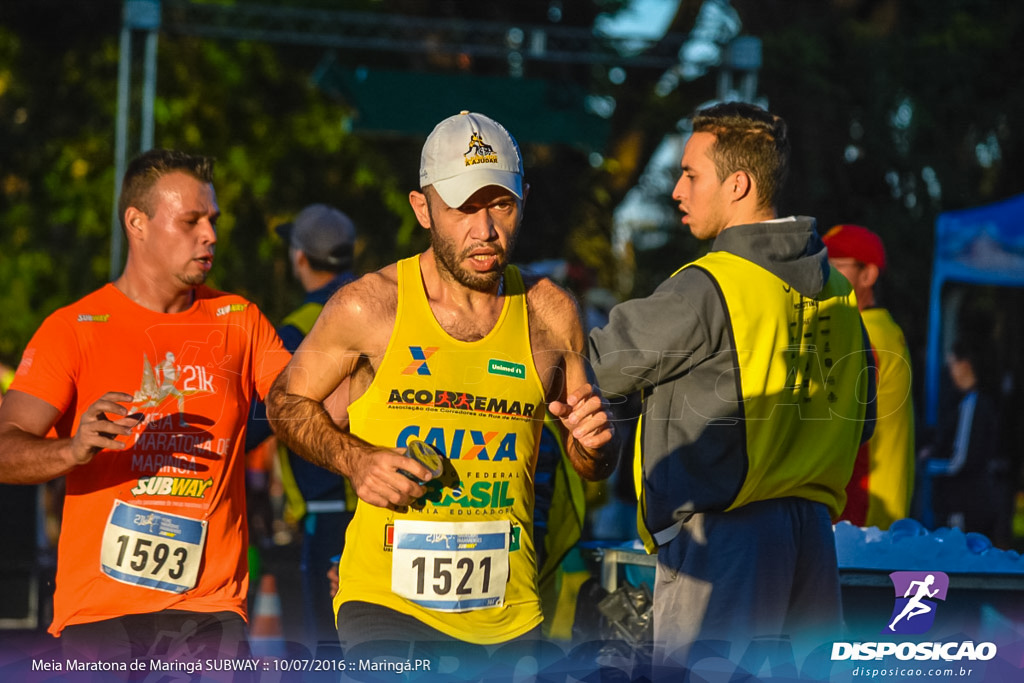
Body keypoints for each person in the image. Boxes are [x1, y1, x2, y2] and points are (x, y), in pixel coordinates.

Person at [265, 110, 618, 653]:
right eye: (463, 207)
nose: (486, 231)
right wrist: (355, 460)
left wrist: (595, 445)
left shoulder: (550, 312)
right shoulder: (370, 306)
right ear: (422, 208)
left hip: (508, 612)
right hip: (385, 606)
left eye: (501, 204)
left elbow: (590, 459)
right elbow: (285, 401)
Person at [587, 102, 875, 671]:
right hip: (813, 540)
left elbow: (596, 366)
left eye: (690, 173)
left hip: (724, 547)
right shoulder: (839, 291)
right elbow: (860, 419)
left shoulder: (708, 285)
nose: (676, 190)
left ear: (738, 183)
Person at [0, 149, 290, 666]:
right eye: (191, 221)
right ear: (137, 222)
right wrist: (72, 449)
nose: (211, 235)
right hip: (100, 613)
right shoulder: (74, 329)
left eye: (213, 221)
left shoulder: (239, 320)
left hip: (210, 609)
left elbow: (304, 400)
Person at [273, 203, 360, 645]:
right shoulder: (376, 308)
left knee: (320, 648)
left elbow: (265, 419)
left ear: (300, 258)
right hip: (381, 499)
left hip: (327, 506)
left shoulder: (297, 329)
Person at [824, 224, 915, 530]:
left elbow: (838, 428)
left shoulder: (865, 337)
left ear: (869, 275)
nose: (824, 275)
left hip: (860, 516)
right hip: (881, 511)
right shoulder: (885, 330)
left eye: (835, 266)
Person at [922, 336, 1011, 543]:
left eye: (952, 362)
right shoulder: (975, 402)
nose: (950, 369)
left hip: (965, 504)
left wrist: (929, 465)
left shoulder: (973, 404)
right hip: (971, 502)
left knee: (959, 564)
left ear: (965, 364)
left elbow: (961, 460)